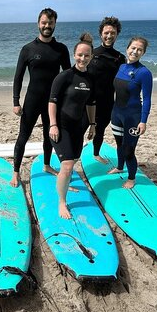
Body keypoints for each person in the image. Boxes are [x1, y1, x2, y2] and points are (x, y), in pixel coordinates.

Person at [11, 8, 71, 187]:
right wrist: (16, 101)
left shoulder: (61, 49)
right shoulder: (28, 49)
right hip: (32, 100)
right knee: (23, 136)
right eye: (44, 22)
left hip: (52, 101)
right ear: (38, 23)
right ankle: (15, 172)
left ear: (55, 25)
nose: (47, 26)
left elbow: (68, 76)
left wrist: (67, 99)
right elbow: (18, 77)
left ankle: (46, 165)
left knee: (49, 135)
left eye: (50, 23)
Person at [48, 33, 97, 219]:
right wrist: (53, 125)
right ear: (74, 55)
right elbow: (52, 101)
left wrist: (92, 124)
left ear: (91, 57)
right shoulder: (65, 77)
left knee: (73, 160)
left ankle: (65, 182)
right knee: (67, 165)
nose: (82, 58)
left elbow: (91, 104)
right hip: (60, 126)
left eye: (86, 55)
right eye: (79, 55)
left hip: (79, 126)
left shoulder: (91, 79)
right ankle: (62, 202)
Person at [109, 37, 153, 189]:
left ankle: (132, 178)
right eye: (133, 48)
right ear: (127, 48)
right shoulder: (121, 67)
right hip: (116, 114)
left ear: (143, 53)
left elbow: (147, 99)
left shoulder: (144, 73)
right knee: (119, 144)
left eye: (139, 50)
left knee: (129, 150)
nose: (135, 51)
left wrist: (143, 121)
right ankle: (120, 167)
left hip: (133, 117)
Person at [87, 16, 126, 163]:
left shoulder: (120, 58)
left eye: (113, 33)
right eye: (106, 32)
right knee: (80, 130)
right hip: (87, 101)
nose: (109, 36)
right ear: (100, 34)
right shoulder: (92, 54)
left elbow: (122, 83)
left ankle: (96, 154)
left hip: (108, 101)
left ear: (117, 34)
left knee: (100, 130)